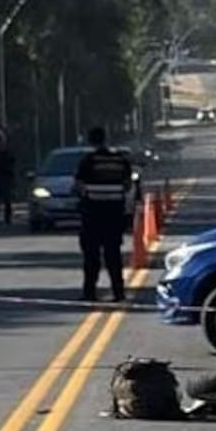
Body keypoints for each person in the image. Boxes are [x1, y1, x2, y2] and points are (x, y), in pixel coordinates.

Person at [73, 126, 133, 301]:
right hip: (114, 215)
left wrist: (88, 194)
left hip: (92, 214)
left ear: (91, 141)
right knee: (113, 255)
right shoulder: (120, 161)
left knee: (91, 257)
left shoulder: (88, 161)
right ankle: (118, 292)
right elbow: (128, 185)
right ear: (106, 139)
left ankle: (89, 292)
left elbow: (78, 185)